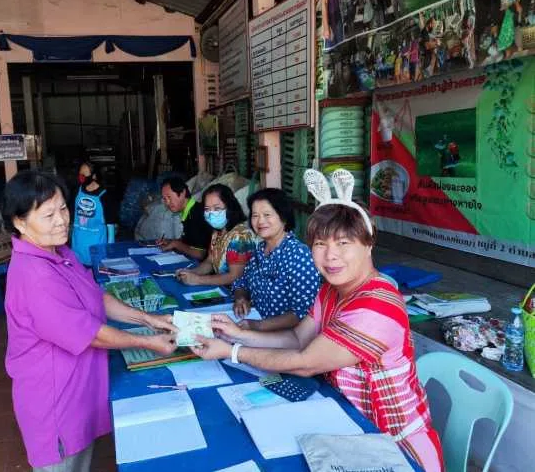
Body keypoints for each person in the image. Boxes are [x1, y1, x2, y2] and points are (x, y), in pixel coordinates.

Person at [192, 170, 444, 472]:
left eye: (344, 243)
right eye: (321, 244)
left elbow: (305, 362)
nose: (330, 256)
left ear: (368, 244)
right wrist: (237, 333)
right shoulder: (331, 290)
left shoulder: (376, 306)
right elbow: (298, 337)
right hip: (348, 424)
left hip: (395, 445)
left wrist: (232, 352)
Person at [2, 171, 177, 472]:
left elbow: (96, 296)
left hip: (76, 391)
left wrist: (148, 318)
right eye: (48, 215)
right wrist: (148, 342)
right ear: (20, 222)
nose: (62, 220)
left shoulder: (59, 252)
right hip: (56, 401)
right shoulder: (36, 276)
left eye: (63, 209)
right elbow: (90, 334)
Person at [231, 188, 320, 332]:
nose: (260, 221)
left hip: (289, 337)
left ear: (283, 217)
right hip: (256, 326)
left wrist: (257, 325)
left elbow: (303, 312)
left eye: (267, 215)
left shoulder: (298, 254)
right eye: (255, 215)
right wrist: (241, 298)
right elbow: (241, 283)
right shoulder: (260, 250)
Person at [176, 184, 256, 287]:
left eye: (217, 208)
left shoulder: (241, 236)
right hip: (222, 288)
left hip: (239, 293)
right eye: (207, 209)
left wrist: (198, 280)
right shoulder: (217, 232)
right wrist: (190, 272)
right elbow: (210, 262)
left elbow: (235, 277)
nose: (211, 213)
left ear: (230, 207)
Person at [70, 161, 118, 265]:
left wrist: (110, 248)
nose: (81, 177)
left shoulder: (105, 196)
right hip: (77, 248)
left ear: (94, 176)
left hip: (97, 249)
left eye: (84, 175)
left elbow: (110, 225)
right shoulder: (77, 191)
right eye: (80, 174)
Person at [158, 176, 212, 261]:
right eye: (165, 199)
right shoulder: (188, 211)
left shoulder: (197, 214)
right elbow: (190, 240)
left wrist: (176, 244)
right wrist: (170, 242)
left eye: (169, 197)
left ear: (182, 193)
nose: (167, 202)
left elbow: (200, 254)